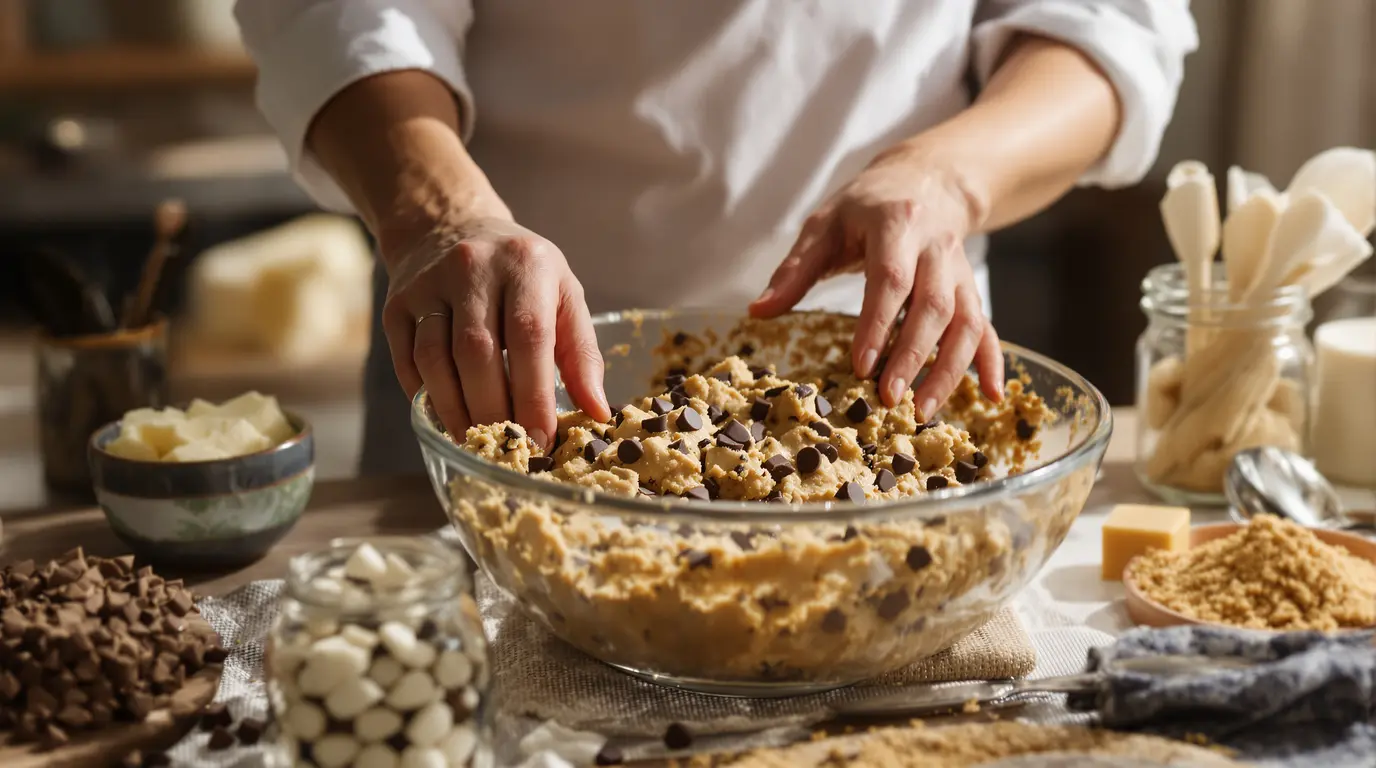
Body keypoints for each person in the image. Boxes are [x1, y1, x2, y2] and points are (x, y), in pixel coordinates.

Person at [234, 1, 1197, 475]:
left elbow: (1113, 24)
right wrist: (442, 215)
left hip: (889, 398)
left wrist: (945, 176)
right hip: (494, 371)